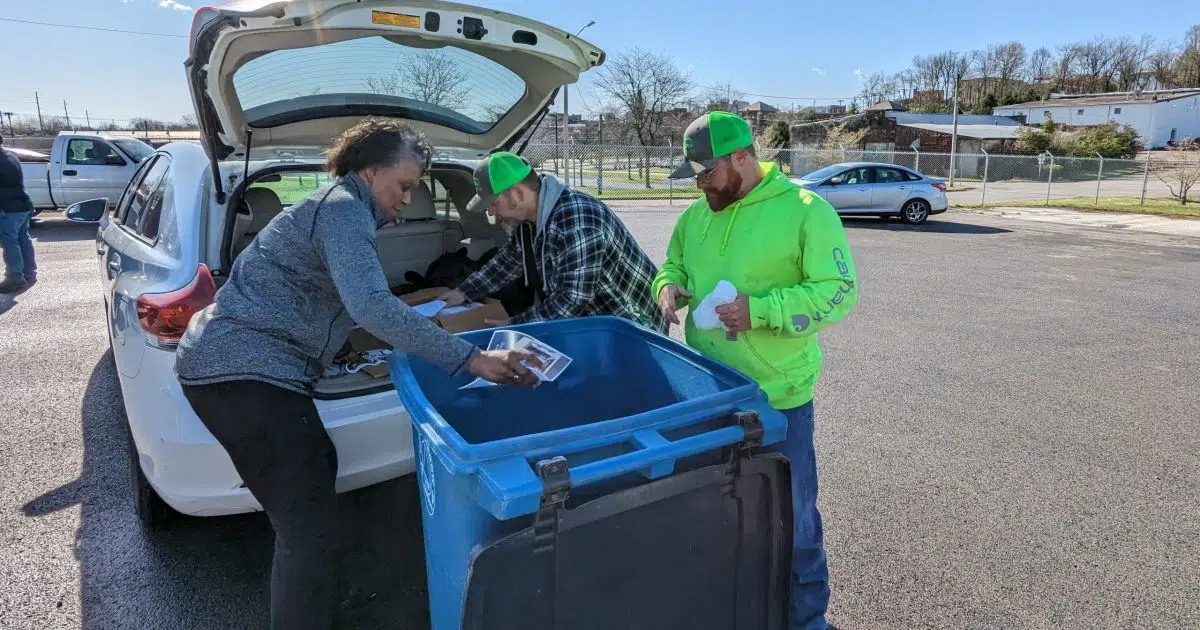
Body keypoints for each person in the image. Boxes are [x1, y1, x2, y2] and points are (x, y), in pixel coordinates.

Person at [173, 119, 539, 630]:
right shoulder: (344, 211)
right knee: (307, 531)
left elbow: (341, 307)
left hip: (245, 368)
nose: (408, 201)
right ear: (369, 173)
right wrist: (471, 359)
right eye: (405, 186)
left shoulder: (336, 209)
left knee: (317, 471)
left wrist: (358, 347)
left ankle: (319, 600)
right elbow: (369, 306)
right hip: (242, 373)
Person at [653, 111, 858, 630]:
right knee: (716, 514)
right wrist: (668, 287)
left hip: (776, 396)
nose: (699, 184)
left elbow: (838, 290)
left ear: (741, 157)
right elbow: (674, 262)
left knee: (793, 520)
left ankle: (806, 620)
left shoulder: (806, 211)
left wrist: (761, 310)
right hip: (707, 391)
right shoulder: (697, 215)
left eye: (705, 172)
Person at [438, 151, 667, 333]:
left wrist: (515, 326)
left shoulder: (577, 220)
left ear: (517, 193)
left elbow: (573, 299)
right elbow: (508, 262)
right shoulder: (528, 221)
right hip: (596, 321)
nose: (490, 211)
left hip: (636, 323)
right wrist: (465, 292)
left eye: (494, 203)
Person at [0, 135, 37, 294]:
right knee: (23, 238)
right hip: (23, 204)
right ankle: (29, 273)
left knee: (9, 241)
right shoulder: (10, 156)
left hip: (9, 208)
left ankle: (15, 277)